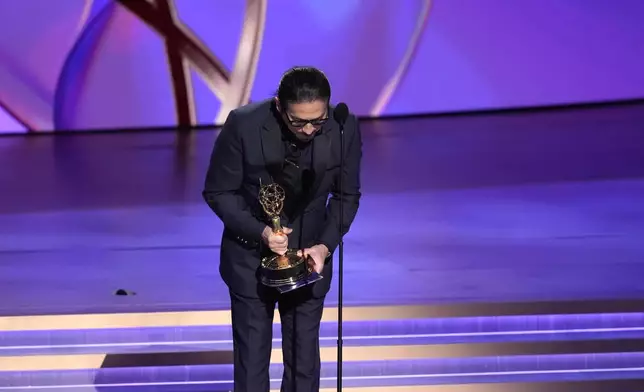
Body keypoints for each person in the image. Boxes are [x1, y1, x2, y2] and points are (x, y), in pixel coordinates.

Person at [202, 66, 362, 392]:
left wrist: (324, 246)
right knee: (251, 364)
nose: (307, 130)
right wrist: (262, 232)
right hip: (250, 260)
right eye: (297, 121)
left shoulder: (343, 127)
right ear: (279, 106)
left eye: (316, 121)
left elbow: (347, 196)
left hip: (310, 260)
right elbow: (218, 191)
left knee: (304, 365)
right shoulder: (244, 125)